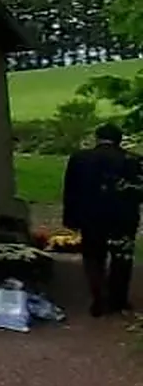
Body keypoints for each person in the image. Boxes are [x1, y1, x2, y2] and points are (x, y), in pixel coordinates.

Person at [62, 123, 141, 317]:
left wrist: (70, 218)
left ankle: (99, 298)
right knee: (121, 258)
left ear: (97, 138)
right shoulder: (133, 160)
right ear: (119, 140)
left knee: (93, 257)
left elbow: (71, 191)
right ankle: (118, 299)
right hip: (123, 217)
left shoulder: (79, 159)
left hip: (91, 216)